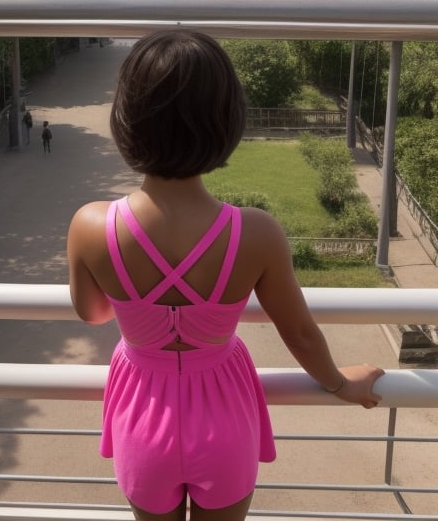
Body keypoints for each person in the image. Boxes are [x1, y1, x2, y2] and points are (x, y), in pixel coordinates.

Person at [67, 30, 384, 521]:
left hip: (141, 415)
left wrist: (136, 301)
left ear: (125, 118)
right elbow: (299, 333)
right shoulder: (255, 233)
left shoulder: (90, 226)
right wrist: (342, 384)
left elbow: (92, 313)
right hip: (225, 414)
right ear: (226, 121)